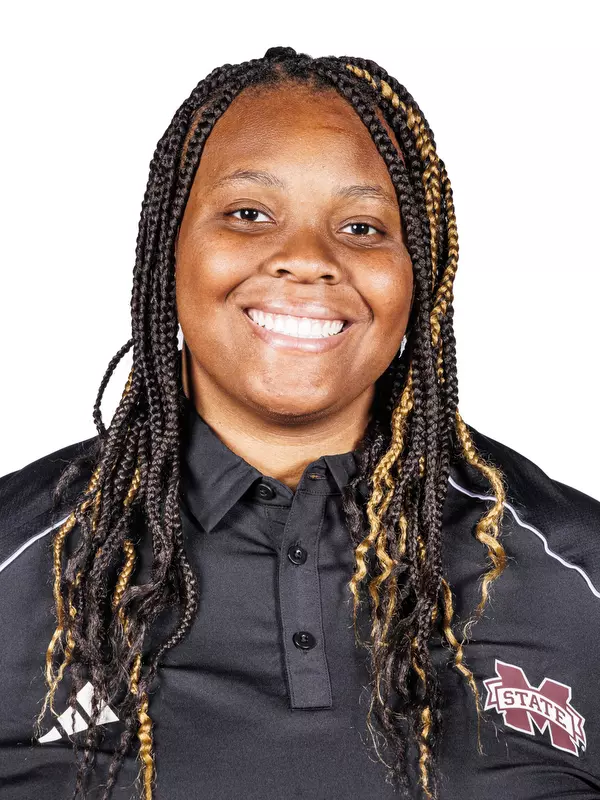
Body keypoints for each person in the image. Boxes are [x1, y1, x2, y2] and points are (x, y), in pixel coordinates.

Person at [0, 45, 598, 800]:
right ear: (167, 251)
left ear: (422, 270)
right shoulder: (16, 563)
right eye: (249, 215)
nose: (307, 259)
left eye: (362, 228)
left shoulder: (578, 575)